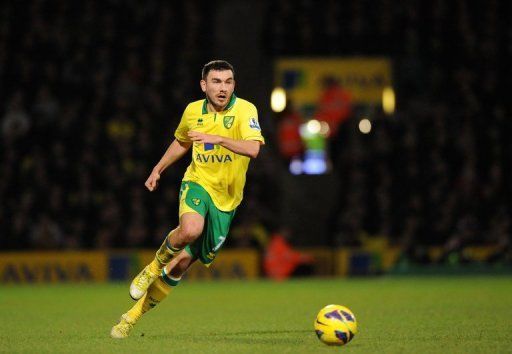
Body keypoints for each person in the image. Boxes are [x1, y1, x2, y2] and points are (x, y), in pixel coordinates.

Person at [111, 60, 265, 338]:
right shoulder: (193, 111)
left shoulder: (245, 109)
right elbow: (182, 141)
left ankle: (131, 317)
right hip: (198, 183)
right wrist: (158, 168)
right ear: (204, 85)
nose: (223, 88)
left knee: (182, 263)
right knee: (190, 229)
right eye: (216, 82)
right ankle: (152, 267)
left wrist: (216, 138)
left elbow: (253, 148)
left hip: (228, 199)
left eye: (228, 82)